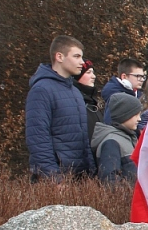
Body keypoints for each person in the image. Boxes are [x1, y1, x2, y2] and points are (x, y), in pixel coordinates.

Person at [25, 35, 97, 181]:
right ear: (59, 56)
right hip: (57, 180)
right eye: (76, 56)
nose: (82, 62)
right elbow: (38, 138)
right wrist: (54, 178)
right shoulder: (41, 90)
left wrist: (91, 172)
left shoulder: (75, 92)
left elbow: (83, 137)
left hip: (79, 177)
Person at [90, 92, 141, 184]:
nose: (139, 119)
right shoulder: (111, 142)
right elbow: (109, 180)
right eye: (136, 114)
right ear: (124, 114)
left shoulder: (128, 137)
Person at [100, 58, 146, 123]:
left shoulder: (140, 95)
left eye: (143, 77)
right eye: (138, 76)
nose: (142, 80)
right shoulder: (115, 97)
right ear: (124, 76)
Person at [74, 59, 104, 142]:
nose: (93, 76)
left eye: (93, 72)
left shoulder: (93, 101)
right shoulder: (74, 101)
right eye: (88, 72)